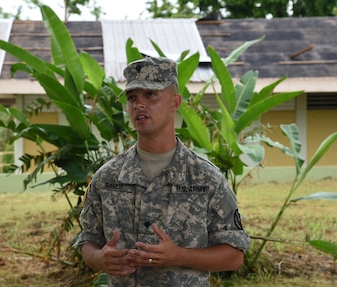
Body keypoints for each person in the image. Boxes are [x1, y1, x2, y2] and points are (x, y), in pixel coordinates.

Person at [74, 57, 251, 286]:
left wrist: (179, 256)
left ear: (175, 102)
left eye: (150, 95)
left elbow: (234, 255)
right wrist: (100, 258)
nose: (138, 104)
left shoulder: (206, 178)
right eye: (132, 98)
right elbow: (88, 241)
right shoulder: (108, 177)